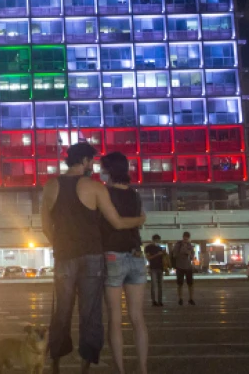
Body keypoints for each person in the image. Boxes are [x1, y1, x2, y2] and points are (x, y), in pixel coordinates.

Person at [41, 143, 146, 374]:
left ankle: (56, 363)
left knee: (62, 310)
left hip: (64, 256)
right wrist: (139, 221)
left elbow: (46, 225)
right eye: (92, 162)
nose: (93, 166)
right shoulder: (94, 187)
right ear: (86, 161)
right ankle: (85, 366)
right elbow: (117, 222)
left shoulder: (50, 186)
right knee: (91, 313)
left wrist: (59, 244)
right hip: (92, 256)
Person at [99, 152, 149, 374]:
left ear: (108, 170)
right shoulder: (135, 195)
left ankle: (120, 370)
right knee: (137, 317)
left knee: (115, 319)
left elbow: (114, 223)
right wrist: (139, 221)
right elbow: (140, 218)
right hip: (136, 256)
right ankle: (143, 368)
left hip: (113, 256)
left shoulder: (104, 193)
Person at [172, 232, 196, 305]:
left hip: (188, 266)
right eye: (185, 237)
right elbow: (174, 255)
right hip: (179, 266)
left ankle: (191, 298)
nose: (186, 239)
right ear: (183, 237)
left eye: (187, 238)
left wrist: (189, 253)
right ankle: (180, 298)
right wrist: (181, 252)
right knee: (180, 284)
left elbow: (192, 257)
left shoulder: (190, 245)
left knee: (190, 284)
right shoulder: (178, 244)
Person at [144, 234, 166, 306]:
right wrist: (157, 254)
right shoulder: (148, 248)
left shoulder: (160, 248)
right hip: (153, 268)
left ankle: (160, 301)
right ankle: (154, 301)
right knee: (153, 285)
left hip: (160, 268)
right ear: (153, 240)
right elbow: (148, 258)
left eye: (158, 241)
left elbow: (163, 258)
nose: (157, 242)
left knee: (161, 286)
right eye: (156, 241)